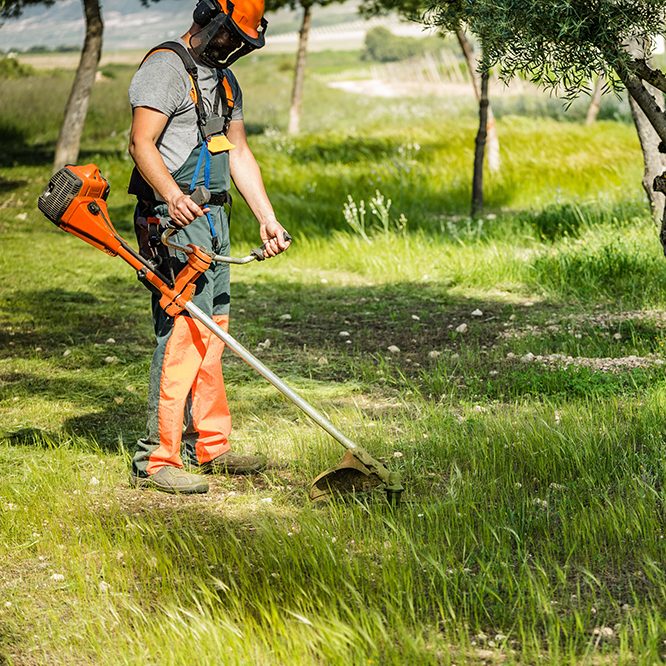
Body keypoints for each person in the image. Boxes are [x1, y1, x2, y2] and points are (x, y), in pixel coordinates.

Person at [127, 0, 290, 494]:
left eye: (243, 42)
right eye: (232, 38)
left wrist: (267, 217)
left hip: (215, 218)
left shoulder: (222, 79)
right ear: (210, 19)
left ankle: (210, 446)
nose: (236, 49)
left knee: (213, 332)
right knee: (181, 333)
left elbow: (238, 151)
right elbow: (141, 144)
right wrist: (172, 196)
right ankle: (156, 459)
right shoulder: (165, 68)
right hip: (174, 220)